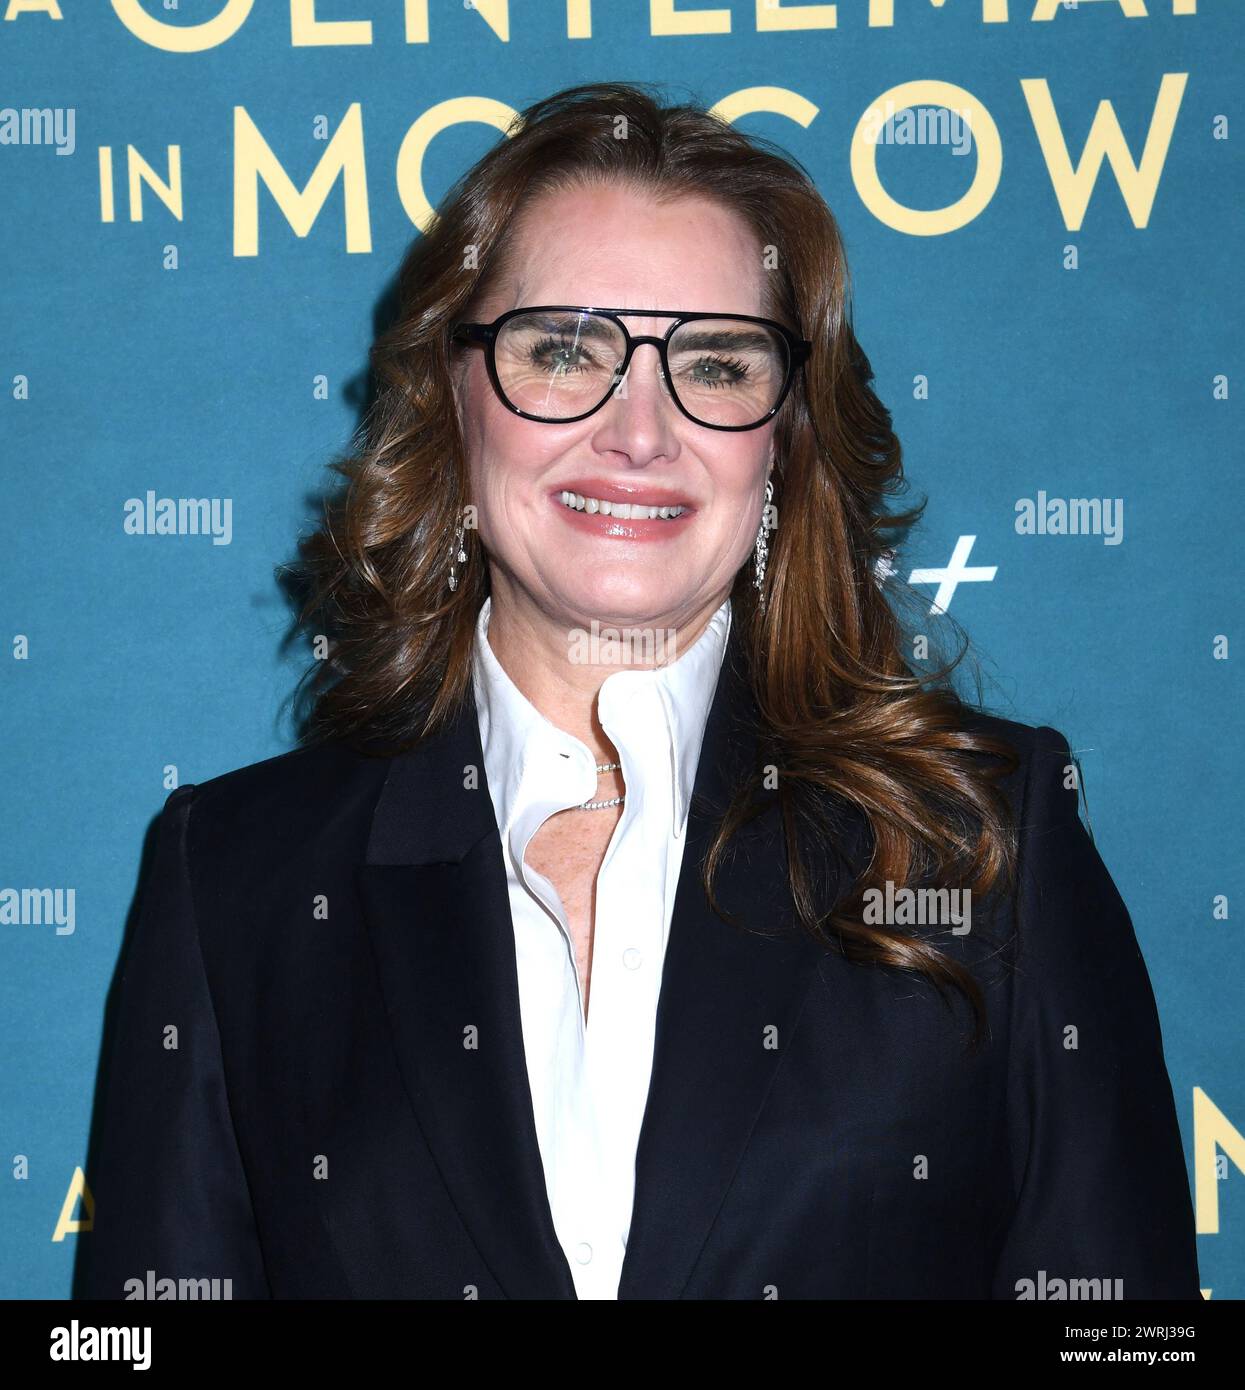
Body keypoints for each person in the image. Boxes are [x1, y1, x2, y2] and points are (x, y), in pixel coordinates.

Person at [77, 81, 1199, 1301]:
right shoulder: (237, 877)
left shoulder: (987, 838)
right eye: (565, 349)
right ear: (451, 402)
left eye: (715, 364)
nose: (640, 428)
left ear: (783, 442)